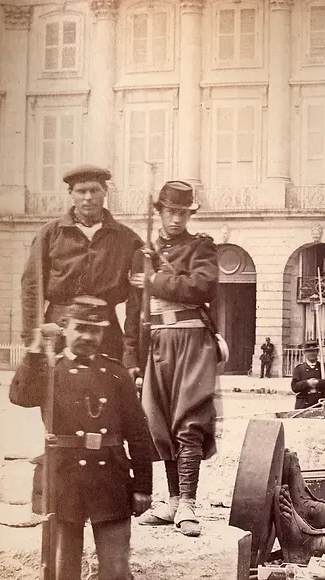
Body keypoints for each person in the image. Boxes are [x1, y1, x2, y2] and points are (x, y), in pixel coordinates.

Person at [9, 297, 157, 580]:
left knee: (116, 570)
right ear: (65, 330)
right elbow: (19, 396)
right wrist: (36, 348)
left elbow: (139, 433)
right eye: (80, 329)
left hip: (110, 480)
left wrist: (143, 485)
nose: (88, 337)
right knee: (64, 573)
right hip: (64, 482)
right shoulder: (49, 370)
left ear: (103, 333)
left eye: (95, 330)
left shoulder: (116, 374)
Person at [125, 181, 219, 539]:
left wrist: (154, 279)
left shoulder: (202, 247)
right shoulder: (143, 253)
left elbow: (202, 287)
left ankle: (190, 503)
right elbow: (135, 312)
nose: (176, 219)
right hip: (157, 341)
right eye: (170, 212)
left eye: (182, 212)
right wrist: (132, 357)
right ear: (160, 212)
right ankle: (174, 501)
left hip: (192, 339)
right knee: (160, 421)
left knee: (189, 419)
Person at [21, 165, 143, 361]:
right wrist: (32, 336)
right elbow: (31, 288)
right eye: (81, 191)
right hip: (59, 329)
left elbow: (137, 297)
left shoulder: (127, 239)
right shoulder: (49, 234)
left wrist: (131, 349)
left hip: (104, 329)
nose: (88, 197)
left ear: (105, 192)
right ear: (71, 193)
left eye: (94, 190)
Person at [290, 339, 325, 409]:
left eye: (314, 351)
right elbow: (294, 387)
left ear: (317, 352)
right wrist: (307, 383)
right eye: (309, 351)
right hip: (303, 405)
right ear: (304, 353)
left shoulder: (322, 367)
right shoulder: (299, 368)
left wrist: (318, 382)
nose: (312, 353)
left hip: (319, 403)